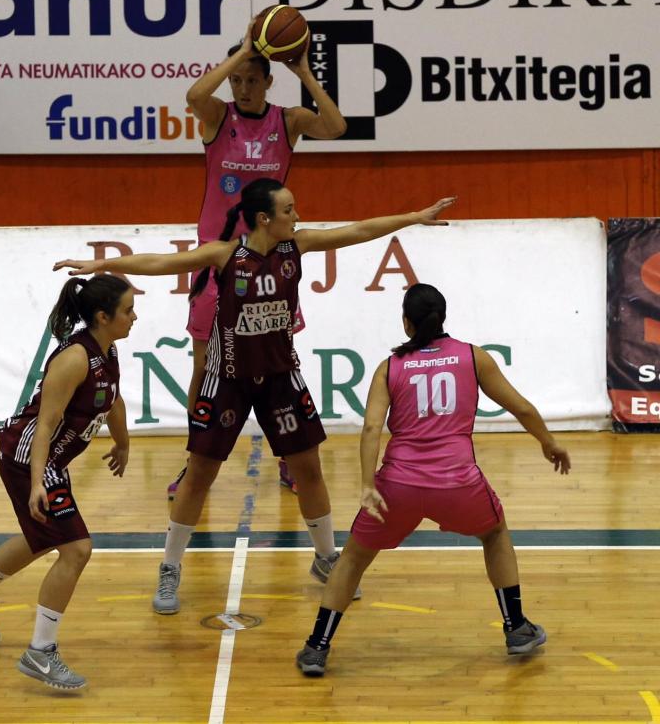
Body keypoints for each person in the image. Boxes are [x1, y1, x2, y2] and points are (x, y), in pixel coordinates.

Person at [55, 179, 455, 616]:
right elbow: (162, 262)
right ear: (264, 218)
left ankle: (325, 558)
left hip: (281, 378)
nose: (297, 217)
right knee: (198, 476)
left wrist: (414, 217)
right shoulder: (226, 255)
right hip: (226, 380)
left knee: (309, 470)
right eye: (289, 210)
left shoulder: (296, 248)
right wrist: (102, 264)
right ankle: (170, 567)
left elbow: (358, 231)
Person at [295, 283, 572, 677]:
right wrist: (549, 442)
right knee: (494, 533)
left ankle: (316, 648)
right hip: (458, 484)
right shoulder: (473, 357)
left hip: (398, 487)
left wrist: (367, 484)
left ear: (406, 323)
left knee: (353, 558)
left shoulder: (390, 367)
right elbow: (522, 408)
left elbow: (371, 427)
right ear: (442, 317)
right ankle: (516, 628)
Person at [170, 24, 347, 498]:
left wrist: (303, 72)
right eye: (237, 80)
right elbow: (194, 94)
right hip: (218, 261)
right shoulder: (217, 116)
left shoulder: (287, 121)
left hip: (270, 263)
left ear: (269, 82)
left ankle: (291, 458)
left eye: (252, 79)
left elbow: (335, 126)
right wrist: (243, 53)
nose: (243, 87)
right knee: (205, 367)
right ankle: (195, 463)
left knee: (278, 363)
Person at [0, 275, 135, 691]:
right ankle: (40, 652)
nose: (134, 317)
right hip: (28, 457)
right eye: (127, 310)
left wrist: (122, 443)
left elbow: (113, 398)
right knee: (77, 549)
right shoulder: (74, 359)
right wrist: (37, 484)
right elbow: (45, 425)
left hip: (48, 460)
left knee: (44, 537)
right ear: (103, 317)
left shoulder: (107, 350)